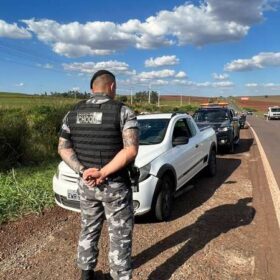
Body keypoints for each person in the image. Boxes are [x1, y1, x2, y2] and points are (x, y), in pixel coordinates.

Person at [58, 70, 139, 280]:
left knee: (89, 227)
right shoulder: (123, 112)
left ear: (92, 88)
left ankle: (86, 274)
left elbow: (64, 149)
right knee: (119, 234)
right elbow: (130, 150)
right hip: (115, 185)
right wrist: (103, 172)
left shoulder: (72, 113)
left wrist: (84, 171)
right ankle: (118, 276)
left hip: (87, 185)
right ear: (111, 87)